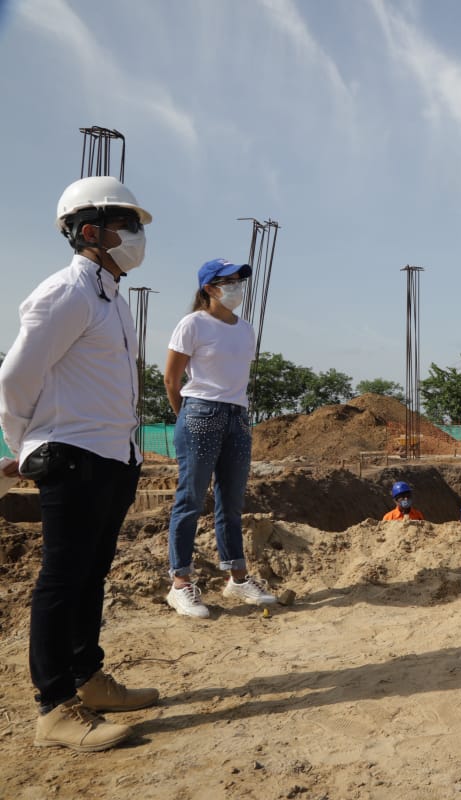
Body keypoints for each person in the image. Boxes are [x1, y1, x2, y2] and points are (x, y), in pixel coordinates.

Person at [0, 176, 159, 751]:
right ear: (89, 231)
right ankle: (53, 708)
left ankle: (88, 679)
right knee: (61, 580)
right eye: (127, 224)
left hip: (112, 456)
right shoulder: (65, 293)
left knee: (91, 575)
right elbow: (15, 377)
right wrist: (25, 446)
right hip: (69, 454)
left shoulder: (109, 299)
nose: (137, 236)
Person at [164, 258, 276, 619]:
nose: (237, 287)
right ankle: (180, 583)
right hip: (200, 412)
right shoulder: (192, 324)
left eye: (240, 281)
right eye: (228, 281)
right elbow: (171, 380)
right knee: (191, 499)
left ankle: (237, 578)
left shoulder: (245, 329)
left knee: (231, 502)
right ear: (209, 288)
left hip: (238, 416)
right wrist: (188, 417)